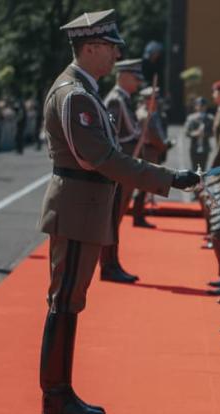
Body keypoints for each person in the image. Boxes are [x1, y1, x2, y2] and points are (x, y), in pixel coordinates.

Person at [39, 9, 201, 414]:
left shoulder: (83, 90)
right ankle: (56, 395)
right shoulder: (75, 94)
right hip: (78, 206)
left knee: (70, 300)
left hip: (83, 206)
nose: (115, 57)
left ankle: (60, 391)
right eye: (111, 49)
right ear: (91, 47)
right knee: (64, 301)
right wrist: (167, 178)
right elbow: (99, 158)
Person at [99, 58, 146, 282]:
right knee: (112, 221)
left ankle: (113, 262)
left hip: (125, 170)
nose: (137, 84)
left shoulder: (125, 100)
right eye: (135, 79)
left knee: (116, 221)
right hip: (118, 172)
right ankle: (108, 266)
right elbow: (111, 138)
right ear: (124, 77)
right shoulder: (116, 102)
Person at [133, 86, 170, 226]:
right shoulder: (144, 115)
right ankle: (138, 217)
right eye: (154, 99)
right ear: (147, 100)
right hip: (147, 152)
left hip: (151, 151)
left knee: (145, 186)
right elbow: (152, 136)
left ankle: (139, 216)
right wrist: (163, 146)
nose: (156, 102)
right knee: (143, 186)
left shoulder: (151, 113)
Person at [185, 96, 213, 171]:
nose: (201, 107)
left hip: (205, 147)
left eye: (203, 106)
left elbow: (212, 132)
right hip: (194, 147)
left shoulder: (209, 118)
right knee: (194, 168)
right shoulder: (191, 118)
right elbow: (187, 132)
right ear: (195, 106)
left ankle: (202, 182)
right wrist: (195, 133)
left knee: (203, 169)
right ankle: (196, 182)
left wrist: (205, 134)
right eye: (199, 105)